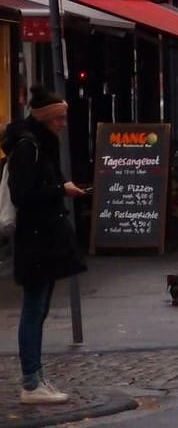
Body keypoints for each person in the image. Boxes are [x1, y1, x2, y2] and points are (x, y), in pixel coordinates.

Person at [5, 87, 88, 405]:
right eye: (60, 118)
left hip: (43, 238)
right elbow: (22, 194)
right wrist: (60, 189)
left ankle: (36, 377)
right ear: (47, 118)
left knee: (39, 309)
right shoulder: (29, 146)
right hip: (36, 239)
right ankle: (30, 382)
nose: (64, 123)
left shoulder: (38, 143)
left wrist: (59, 188)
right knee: (33, 309)